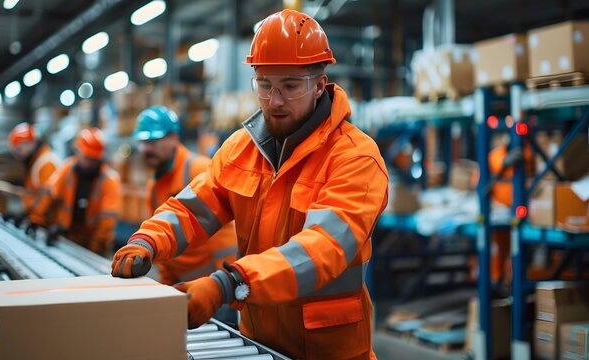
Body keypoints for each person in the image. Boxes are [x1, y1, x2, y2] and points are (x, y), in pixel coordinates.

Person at [112, 9, 388, 360]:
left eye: (290, 86)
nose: (274, 101)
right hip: (257, 346)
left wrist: (231, 283)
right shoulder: (241, 149)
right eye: (265, 84)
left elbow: (322, 250)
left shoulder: (355, 158)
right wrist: (148, 240)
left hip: (329, 350)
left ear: (320, 85)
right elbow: (194, 207)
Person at [133, 105, 238, 285]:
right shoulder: (154, 186)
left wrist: (222, 284)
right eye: (143, 142)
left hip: (219, 281)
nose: (146, 149)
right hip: (185, 284)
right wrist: (167, 286)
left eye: (153, 142)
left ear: (174, 138)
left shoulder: (199, 169)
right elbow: (165, 241)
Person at [31, 128, 121, 256]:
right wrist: (35, 219)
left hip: (95, 243)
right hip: (69, 237)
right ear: (77, 151)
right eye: (87, 157)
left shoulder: (110, 180)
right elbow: (49, 194)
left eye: (94, 159)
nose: (90, 163)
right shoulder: (67, 168)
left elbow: (107, 222)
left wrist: (94, 250)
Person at [7, 122, 61, 225]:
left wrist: (34, 219)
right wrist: (26, 213)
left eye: (19, 149)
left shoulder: (46, 163)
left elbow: (46, 198)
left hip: (47, 224)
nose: (17, 155)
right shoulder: (35, 161)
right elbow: (35, 196)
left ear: (30, 143)